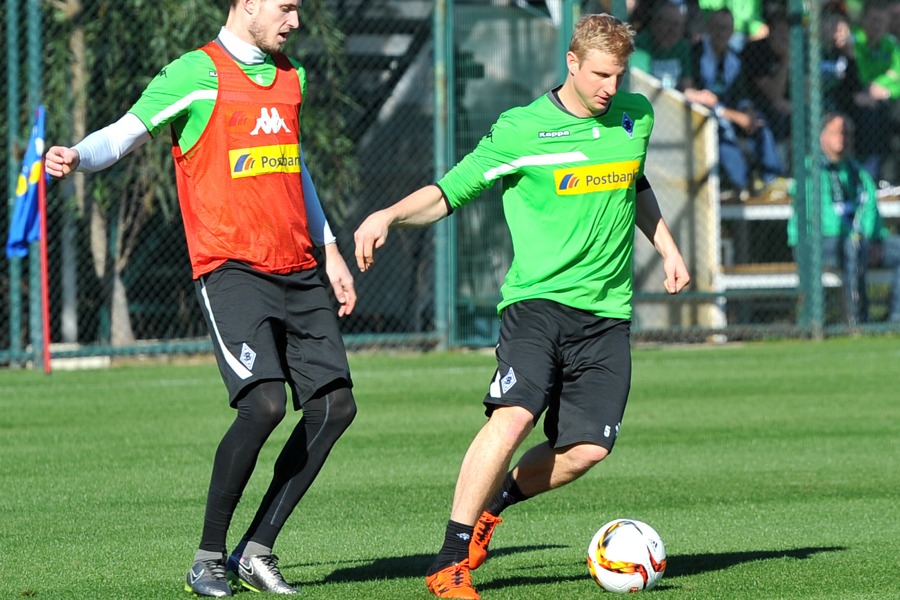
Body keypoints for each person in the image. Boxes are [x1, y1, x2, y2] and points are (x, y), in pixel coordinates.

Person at [354, 13, 690, 599]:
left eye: (619, 74)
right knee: (512, 416)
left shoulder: (635, 117)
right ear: (572, 63)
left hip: (606, 315)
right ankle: (450, 559)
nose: (611, 87)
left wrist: (667, 246)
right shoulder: (521, 129)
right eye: (600, 74)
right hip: (537, 307)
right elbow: (450, 191)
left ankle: (496, 504)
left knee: (588, 449)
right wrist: (387, 215)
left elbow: (632, 182)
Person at [45, 1, 358, 596]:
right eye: (286, 7)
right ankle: (208, 556)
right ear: (247, 3)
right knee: (264, 404)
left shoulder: (292, 76)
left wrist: (331, 249)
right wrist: (77, 155)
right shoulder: (195, 71)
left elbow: (296, 167)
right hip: (232, 268)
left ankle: (256, 549)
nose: (295, 21)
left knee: (335, 408)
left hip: (300, 266)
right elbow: (125, 134)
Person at [787, 112, 900, 325]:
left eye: (847, 133)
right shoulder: (809, 171)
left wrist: (874, 239)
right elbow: (819, 218)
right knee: (852, 246)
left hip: (860, 241)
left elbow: (871, 213)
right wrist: (859, 239)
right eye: (837, 133)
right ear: (821, 137)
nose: (843, 138)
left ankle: (896, 320)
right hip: (819, 242)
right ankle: (856, 320)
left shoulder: (858, 173)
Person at [686, 7, 784, 199]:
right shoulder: (696, 55)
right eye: (716, 28)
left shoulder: (734, 59)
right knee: (720, 134)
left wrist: (749, 114)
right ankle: (743, 185)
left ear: (732, 32)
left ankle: (770, 180)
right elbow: (706, 100)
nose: (721, 33)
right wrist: (738, 117)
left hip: (730, 115)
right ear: (708, 29)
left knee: (760, 123)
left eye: (725, 29)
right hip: (703, 116)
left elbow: (741, 97)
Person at [848, 0, 900, 181]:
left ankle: (890, 179)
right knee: (870, 118)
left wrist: (886, 91)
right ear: (863, 21)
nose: (877, 25)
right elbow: (860, 75)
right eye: (873, 20)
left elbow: (899, 76)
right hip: (855, 98)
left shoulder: (890, 45)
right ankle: (869, 178)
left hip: (884, 99)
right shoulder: (855, 42)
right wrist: (888, 78)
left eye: (881, 21)